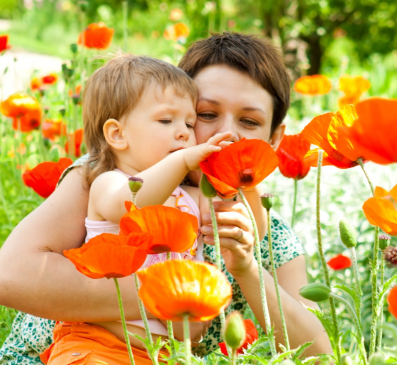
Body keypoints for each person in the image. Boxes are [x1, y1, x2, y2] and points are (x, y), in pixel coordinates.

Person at [0, 33, 332, 364]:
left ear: (274, 138)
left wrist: (247, 270)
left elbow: (321, 357)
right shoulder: (108, 175)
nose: (227, 134)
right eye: (205, 115)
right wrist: (175, 297)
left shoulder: (268, 231)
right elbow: (10, 275)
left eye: (249, 121)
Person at [40, 54, 238, 364]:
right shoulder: (107, 184)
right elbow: (131, 205)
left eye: (189, 122)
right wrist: (182, 160)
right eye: (166, 120)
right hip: (97, 345)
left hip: (165, 354)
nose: (185, 132)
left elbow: (235, 207)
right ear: (117, 134)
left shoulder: (189, 196)